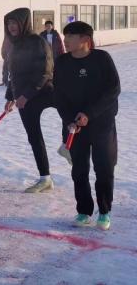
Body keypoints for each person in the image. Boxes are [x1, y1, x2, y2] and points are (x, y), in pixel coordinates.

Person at [54, 21, 119, 231]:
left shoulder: (101, 59)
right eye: (65, 35)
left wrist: (89, 114)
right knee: (79, 170)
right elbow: (59, 95)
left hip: (101, 124)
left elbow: (113, 90)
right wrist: (69, 119)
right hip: (75, 126)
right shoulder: (62, 62)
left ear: (84, 39)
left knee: (104, 168)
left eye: (70, 36)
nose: (65, 40)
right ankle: (83, 211)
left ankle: (105, 211)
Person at [3, 8, 59, 193]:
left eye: (14, 23)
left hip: (43, 93)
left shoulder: (38, 42)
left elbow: (45, 72)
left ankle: (70, 146)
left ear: (24, 23)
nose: (11, 27)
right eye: (9, 23)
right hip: (23, 98)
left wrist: (26, 95)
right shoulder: (15, 44)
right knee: (34, 137)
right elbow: (14, 74)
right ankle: (45, 178)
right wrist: (11, 96)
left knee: (70, 118)